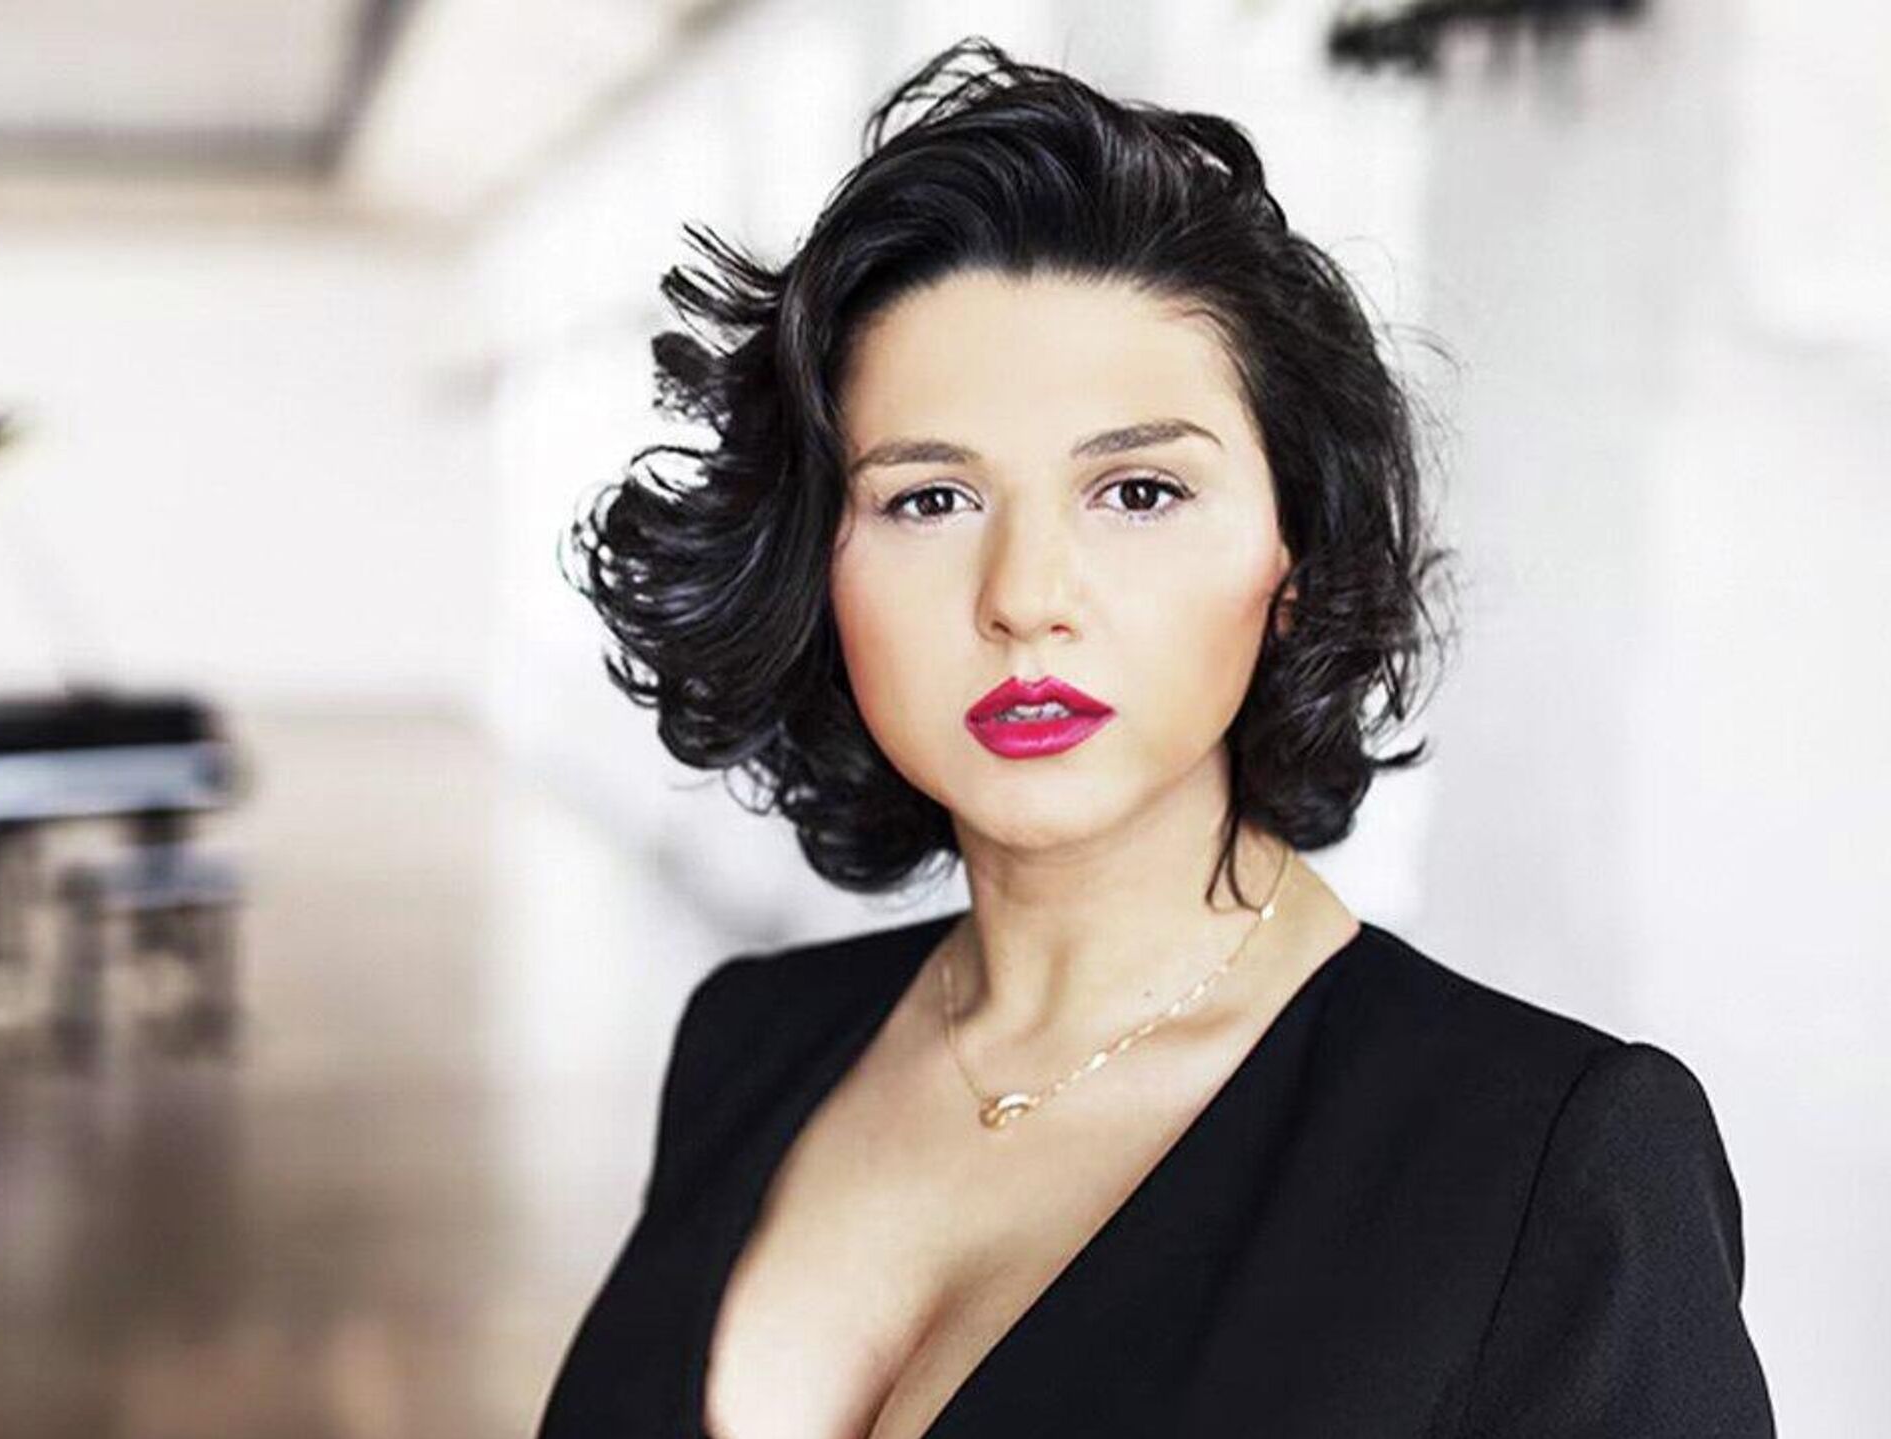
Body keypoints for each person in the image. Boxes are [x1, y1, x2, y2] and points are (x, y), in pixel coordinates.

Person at [538, 34, 1775, 1439]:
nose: (1024, 599)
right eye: (929, 500)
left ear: (1294, 554)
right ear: (816, 566)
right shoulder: (750, 1043)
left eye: (1137, 492)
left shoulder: (1551, 1157)